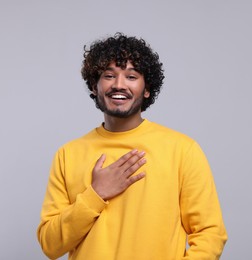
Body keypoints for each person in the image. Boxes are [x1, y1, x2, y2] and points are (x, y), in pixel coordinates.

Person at [37, 33, 227, 260]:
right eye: (109, 75)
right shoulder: (68, 155)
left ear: (147, 89)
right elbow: (50, 245)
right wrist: (95, 194)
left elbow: (210, 233)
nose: (119, 85)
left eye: (131, 76)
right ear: (94, 86)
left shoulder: (182, 150)